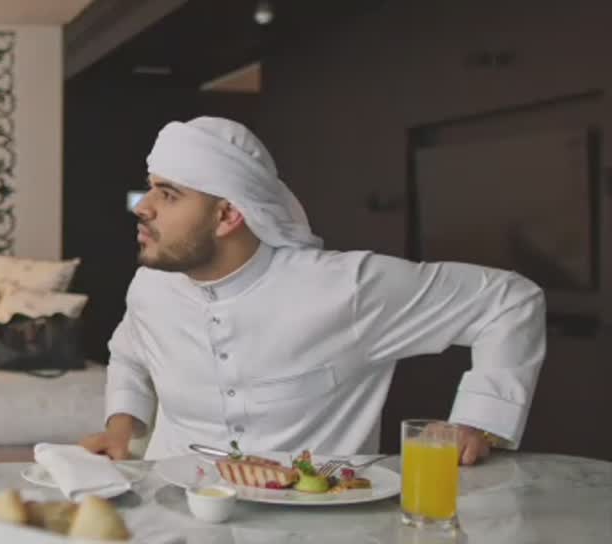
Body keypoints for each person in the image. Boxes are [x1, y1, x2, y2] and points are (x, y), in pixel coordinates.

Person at [80, 117, 546, 465]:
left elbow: (507, 300)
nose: (143, 207)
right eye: (150, 189)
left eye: (168, 194)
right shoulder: (151, 287)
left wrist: (480, 420)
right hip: (174, 518)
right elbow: (131, 351)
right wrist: (123, 425)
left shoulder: (345, 288)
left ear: (227, 216)